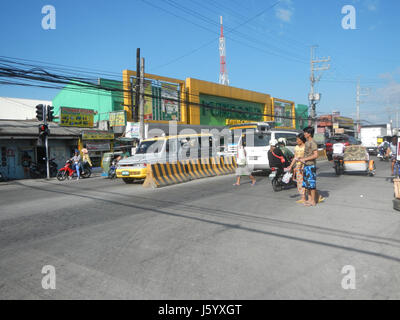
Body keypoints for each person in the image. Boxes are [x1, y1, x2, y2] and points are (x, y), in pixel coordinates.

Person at [298, 126, 323, 206]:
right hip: (306, 166)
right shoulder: (307, 142)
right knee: (307, 185)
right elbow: (307, 155)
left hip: (311, 166)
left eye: (305, 132)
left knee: (311, 185)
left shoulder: (313, 142)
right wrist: (302, 159)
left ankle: (313, 201)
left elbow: (316, 155)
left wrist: (305, 159)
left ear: (309, 134)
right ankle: (309, 199)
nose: (304, 134)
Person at [287, 133, 307, 204]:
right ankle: (303, 198)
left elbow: (308, 157)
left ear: (302, 140)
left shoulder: (306, 147)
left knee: (307, 182)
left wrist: (303, 162)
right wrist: (291, 166)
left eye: (298, 139)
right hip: (298, 166)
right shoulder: (296, 147)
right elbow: (295, 158)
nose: (297, 141)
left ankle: (314, 196)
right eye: (297, 139)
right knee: (299, 182)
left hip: (305, 166)